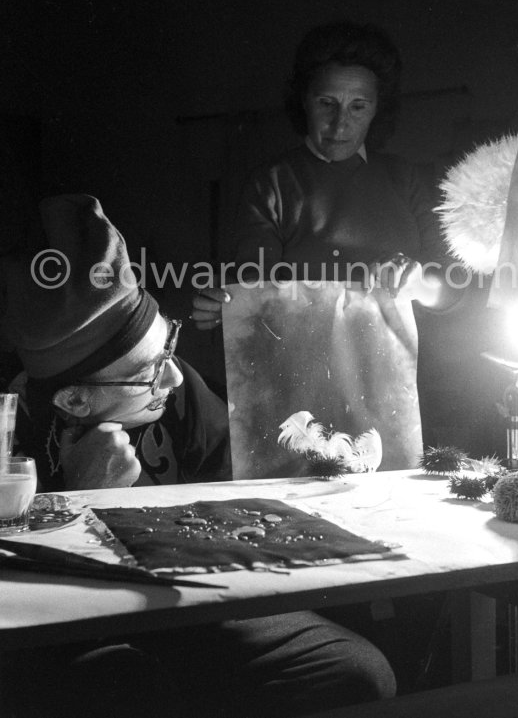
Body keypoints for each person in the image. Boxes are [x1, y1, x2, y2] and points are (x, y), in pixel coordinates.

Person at [0, 194, 396, 718]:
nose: (175, 375)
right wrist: (82, 499)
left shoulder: (177, 392)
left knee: (353, 670)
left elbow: (239, 482)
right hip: (72, 627)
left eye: (169, 348)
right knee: (124, 687)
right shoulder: (12, 428)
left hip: (195, 603)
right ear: (74, 400)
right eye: (150, 371)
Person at [192, 21, 464, 471]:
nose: (341, 123)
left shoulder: (407, 180)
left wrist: (421, 282)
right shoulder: (272, 184)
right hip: (300, 400)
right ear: (303, 100)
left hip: (401, 395)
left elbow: (455, 291)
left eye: (359, 106)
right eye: (327, 103)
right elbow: (254, 292)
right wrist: (222, 305)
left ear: (379, 109)